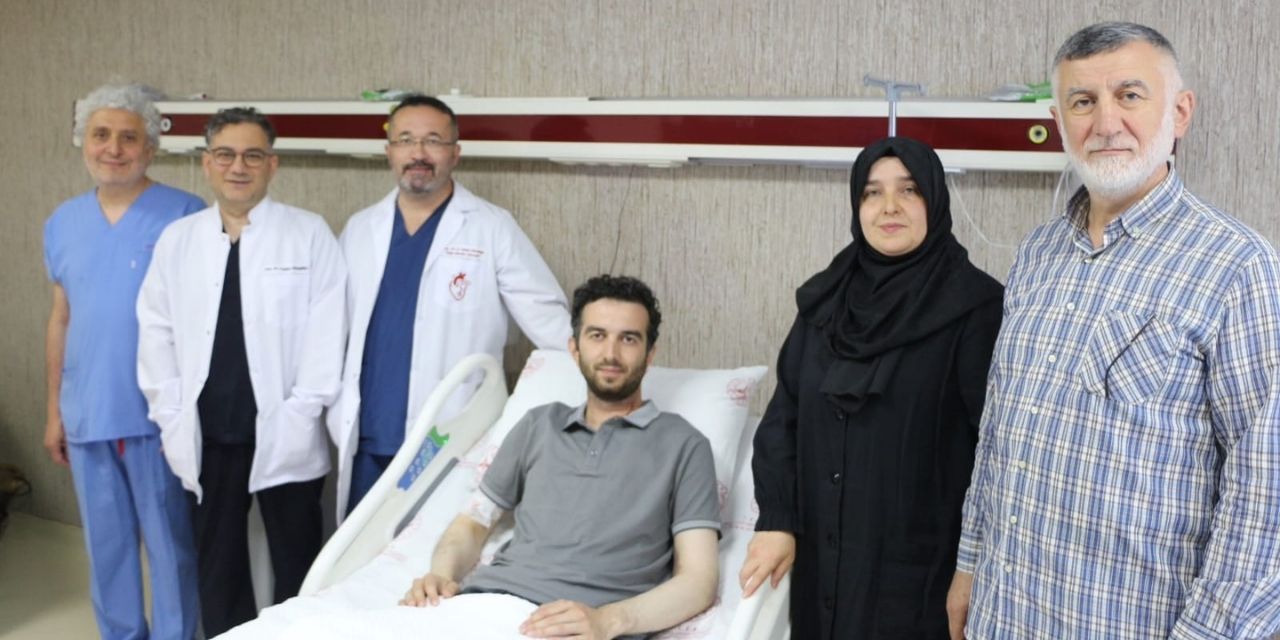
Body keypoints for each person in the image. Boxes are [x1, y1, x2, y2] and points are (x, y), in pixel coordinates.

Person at [947, 22, 1280, 640]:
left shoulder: (1237, 266)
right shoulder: (1038, 254)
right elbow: (998, 431)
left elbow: (1267, 492)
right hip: (1005, 612)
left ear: (1179, 112)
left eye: (1129, 95)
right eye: (1083, 101)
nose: (1105, 123)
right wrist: (970, 563)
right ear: (1059, 120)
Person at [741, 137, 1004, 639]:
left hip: (921, 575)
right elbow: (783, 418)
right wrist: (776, 519)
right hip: (822, 565)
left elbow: (998, 452)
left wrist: (977, 567)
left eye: (909, 190)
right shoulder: (825, 302)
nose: (889, 207)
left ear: (935, 200)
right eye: (872, 192)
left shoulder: (977, 309)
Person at [137, 107, 347, 637]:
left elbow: (329, 331)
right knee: (218, 563)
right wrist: (169, 412)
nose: (238, 166)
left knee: (298, 559)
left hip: (286, 426)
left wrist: (304, 407)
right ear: (207, 163)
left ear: (272, 164)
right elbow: (155, 330)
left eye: (253, 155)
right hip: (206, 431)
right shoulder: (178, 239)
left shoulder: (308, 233)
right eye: (225, 154)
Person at [330, 93, 570, 518]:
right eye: (406, 140)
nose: (418, 153)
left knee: (432, 548)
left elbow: (549, 320)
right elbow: (332, 330)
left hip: (448, 433)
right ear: (389, 152)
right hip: (369, 435)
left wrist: (604, 371)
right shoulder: (360, 229)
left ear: (455, 153)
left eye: (433, 141)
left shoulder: (491, 227)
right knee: (358, 548)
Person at [43, 82, 202, 640]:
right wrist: (54, 411)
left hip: (155, 415)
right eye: (101, 135)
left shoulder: (185, 215)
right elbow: (61, 318)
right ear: (83, 142)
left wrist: (186, 414)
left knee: (170, 546)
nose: (113, 148)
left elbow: (202, 327)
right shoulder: (62, 222)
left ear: (150, 147)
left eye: (128, 138)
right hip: (87, 410)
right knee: (106, 547)